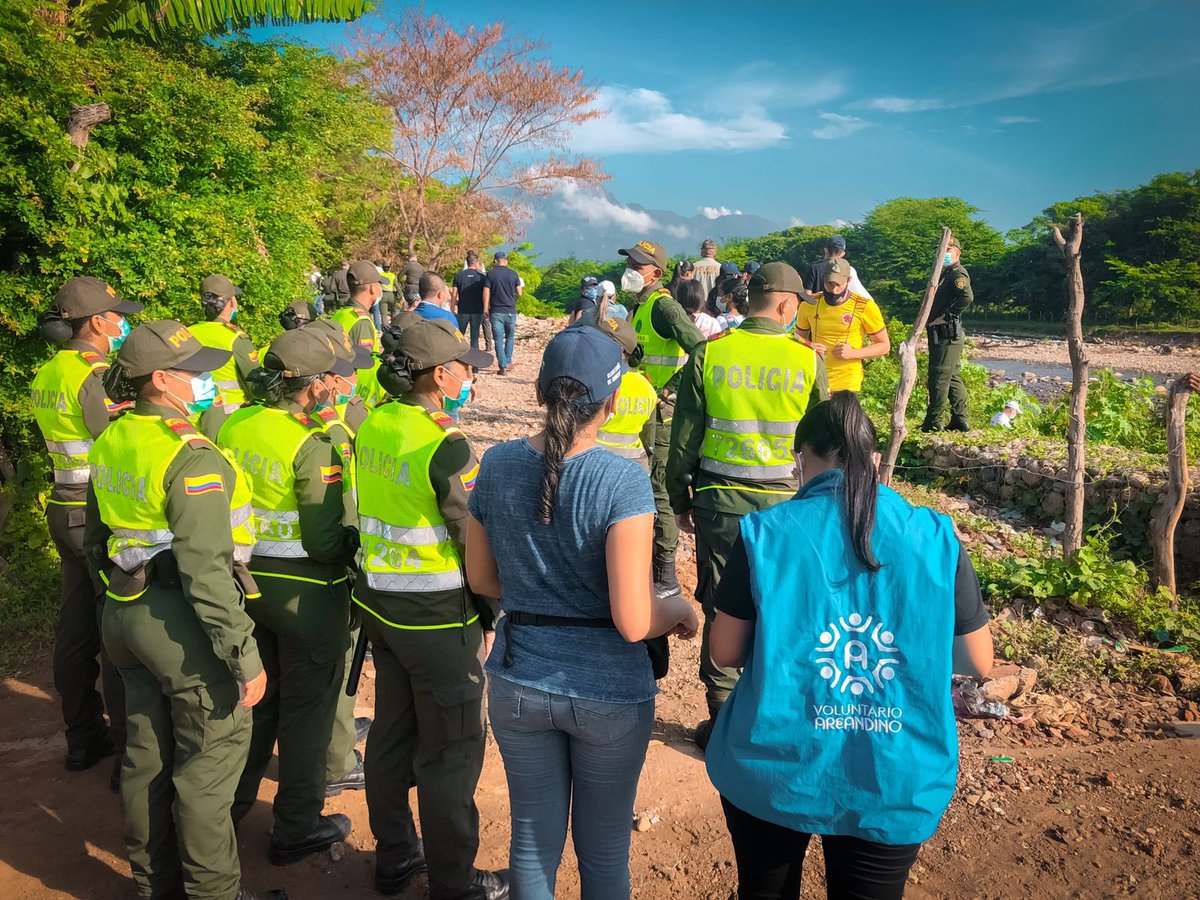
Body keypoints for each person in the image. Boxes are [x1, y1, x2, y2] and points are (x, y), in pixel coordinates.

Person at [704, 393, 994, 900]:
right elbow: (976, 661)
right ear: (876, 460)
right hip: (895, 773)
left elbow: (724, 653)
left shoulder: (765, 534)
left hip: (773, 767)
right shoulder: (935, 535)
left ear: (801, 459)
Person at [465, 326, 698, 900]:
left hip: (518, 679)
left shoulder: (494, 465)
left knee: (531, 842)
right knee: (603, 850)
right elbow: (632, 620)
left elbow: (482, 579)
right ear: (614, 402)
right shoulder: (622, 479)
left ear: (542, 391)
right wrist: (680, 608)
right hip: (609, 692)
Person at [85, 320, 282, 900]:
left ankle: (156, 887)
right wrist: (243, 656)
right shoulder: (191, 457)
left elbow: (96, 537)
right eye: (195, 371)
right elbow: (207, 573)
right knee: (206, 774)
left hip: (124, 612)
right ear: (162, 380)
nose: (207, 380)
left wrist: (116, 593)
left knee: (145, 760)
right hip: (182, 629)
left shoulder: (113, 438)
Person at [353, 320, 507, 900]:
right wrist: (494, 610)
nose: (470, 376)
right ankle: (452, 883)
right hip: (441, 619)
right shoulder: (444, 441)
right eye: (465, 368)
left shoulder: (374, 423)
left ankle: (395, 856)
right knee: (451, 753)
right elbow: (472, 534)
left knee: (392, 736)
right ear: (440, 376)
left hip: (382, 610)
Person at [206, 329, 357, 864]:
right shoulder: (311, 442)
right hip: (307, 594)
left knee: (257, 704)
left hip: (244, 584)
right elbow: (321, 540)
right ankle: (294, 826)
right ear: (314, 387)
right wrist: (354, 546)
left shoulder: (234, 422)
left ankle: (228, 812)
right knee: (308, 713)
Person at [667, 262, 829, 752]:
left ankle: (721, 718)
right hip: (788, 508)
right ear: (785, 304)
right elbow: (823, 446)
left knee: (722, 603)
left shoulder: (711, 353)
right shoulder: (807, 361)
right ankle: (776, 718)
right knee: (784, 603)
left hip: (719, 503)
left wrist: (679, 501)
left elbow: (683, 442)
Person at [31, 276, 141, 789]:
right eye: (117, 316)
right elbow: (116, 440)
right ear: (97, 322)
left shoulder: (48, 371)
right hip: (94, 515)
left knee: (75, 627)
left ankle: (82, 736)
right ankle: (125, 753)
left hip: (60, 506)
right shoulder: (93, 373)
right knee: (115, 630)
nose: (122, 323)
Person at [300, 319, 375, 798]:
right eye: (343, 377)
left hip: (260, 568)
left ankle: (334, 741)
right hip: (320, 571)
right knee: (336, 665)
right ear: (322, 382)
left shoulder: (246, 420)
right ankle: (336, 759)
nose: (349, 385)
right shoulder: (338, 430)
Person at [623, 238, 706, 601]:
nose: (629, 271)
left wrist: (671, 387)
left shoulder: (665, 308)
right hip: (641, 410)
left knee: (659, 488)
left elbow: (701, 347)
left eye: (636, 266)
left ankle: (666, 573)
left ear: (655, 273)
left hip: (661, 414)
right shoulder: (639, 305)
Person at [795, 257, 891, 394]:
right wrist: (809, 346)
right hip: (815, 379)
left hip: (847, 383)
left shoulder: (864, 306)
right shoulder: (809, 304)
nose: (834, 290)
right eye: (830, 284)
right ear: (823, 279)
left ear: (848, 280)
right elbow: (796, 339)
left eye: (839, 284)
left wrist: (854, 353)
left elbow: (884, 345)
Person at [921, 237, 974, 432]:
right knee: (952, 376)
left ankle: (933, 421)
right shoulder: (945, 273)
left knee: (939, 376)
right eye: (941, 250)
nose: (943, 254)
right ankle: (960, 419)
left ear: (957, 253)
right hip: (941, 333)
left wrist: (946, 316)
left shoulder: (957, 274)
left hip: (947, 332)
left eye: (948, 250)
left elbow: (967, 298)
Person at [592, 315, 658, 472]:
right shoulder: (646, 387)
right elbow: (649, 438)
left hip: (597, 464)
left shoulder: (599, 380)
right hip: (636, 466)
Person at [190, 274, 260, 414]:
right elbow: (256, 385)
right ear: (231, 302)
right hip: (232, 417)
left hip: (195, 415)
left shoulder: (186, 333)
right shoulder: (235, 338)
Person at [331, 260, 387, 407]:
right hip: (355, 399)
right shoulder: (362, 322)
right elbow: (363, 367)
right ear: (373, 288)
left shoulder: (343, 313)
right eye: (380, 284)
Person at [484, 250, 522, 375]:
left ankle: (503, 366)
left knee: (498, 339)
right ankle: (508, 361)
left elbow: (486, 292)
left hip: (496, 311)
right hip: (511, 310)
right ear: (506, 261)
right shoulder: (514, 274)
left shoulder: (490, 274)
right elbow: (520, 293)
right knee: (510, 337)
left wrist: (485, 308)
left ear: (495, 261)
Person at [805, 235, 874, 299]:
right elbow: (863, 295)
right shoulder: (849, 269)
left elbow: (807, 294)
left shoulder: (814, 268)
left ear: (825, 250)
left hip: (818, 309)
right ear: (843, 254)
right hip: (841, 309)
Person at [453, 250, 489, 350]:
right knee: (474, 337)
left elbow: (454, 295)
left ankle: (457, 355)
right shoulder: (482, 277)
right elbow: (485, 294)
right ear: (476, 263)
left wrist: (452, 308)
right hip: (477, 311)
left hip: (463, 310)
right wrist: (486, 308)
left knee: (459, 335)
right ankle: (474, 363)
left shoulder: (459, 276)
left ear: (467, 262)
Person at [378, 261, 398, 327]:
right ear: (390, 267)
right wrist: (401, 295)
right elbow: (397, 286)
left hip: (383, 295)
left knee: (384, 314)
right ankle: (395, 325)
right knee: (394, 311)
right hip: (391, 295)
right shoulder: (393, 275)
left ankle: (385, 328)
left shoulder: (379, 274)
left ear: (382, 267)